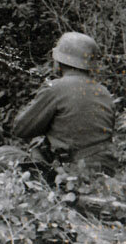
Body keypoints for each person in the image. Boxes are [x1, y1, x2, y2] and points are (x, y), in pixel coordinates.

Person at [7, 32, 117, 176]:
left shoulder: (55, 88)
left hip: (74, 170)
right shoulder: (104, 92)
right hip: (105, 169)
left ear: (59, 61)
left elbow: (21, 129)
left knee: (4, 153)